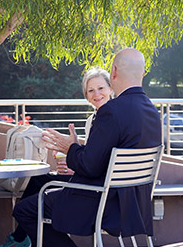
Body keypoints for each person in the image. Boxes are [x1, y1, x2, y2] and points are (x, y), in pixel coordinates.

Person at [13, 48, 162, 247]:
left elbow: (89, 166)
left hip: (102, 201)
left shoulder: (110, 112)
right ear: (142, 74)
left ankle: (16, 241)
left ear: (114, 72)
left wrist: (71, 147)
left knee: (24, 210)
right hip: (133, 204)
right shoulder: (152, 111)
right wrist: (76, 149)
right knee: (40, 184)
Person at [0, 66, 113, 247]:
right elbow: (92, 160)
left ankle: (22, 239)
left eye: (101, 88)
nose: (96, 94)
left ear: (111, 89)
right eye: (91, 90)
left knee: (24, 211)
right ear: (86, 95)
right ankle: (20, 238)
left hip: (93, 192)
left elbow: (96, 165)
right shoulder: (92, 120)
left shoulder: (111, 120)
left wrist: (73, 151)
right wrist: (73, 158)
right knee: (37, 180)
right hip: (88, 181)